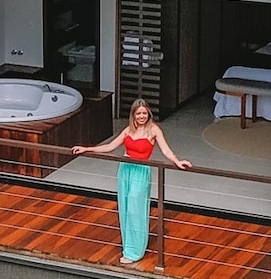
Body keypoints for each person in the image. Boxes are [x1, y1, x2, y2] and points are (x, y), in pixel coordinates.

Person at [74, 100, 191, 264]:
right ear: (134, 115)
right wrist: (87, 148)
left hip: (141, 171)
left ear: (148, 113)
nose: (142, 116)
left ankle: (135, 251)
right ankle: (128, 246)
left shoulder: (154, 130)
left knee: (136, 209)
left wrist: (177, 161)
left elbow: (165, 150)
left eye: (144, 113)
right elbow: (110, 146)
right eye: (139, 113)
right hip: (125, 169)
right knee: (125, 207)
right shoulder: (128, 130)